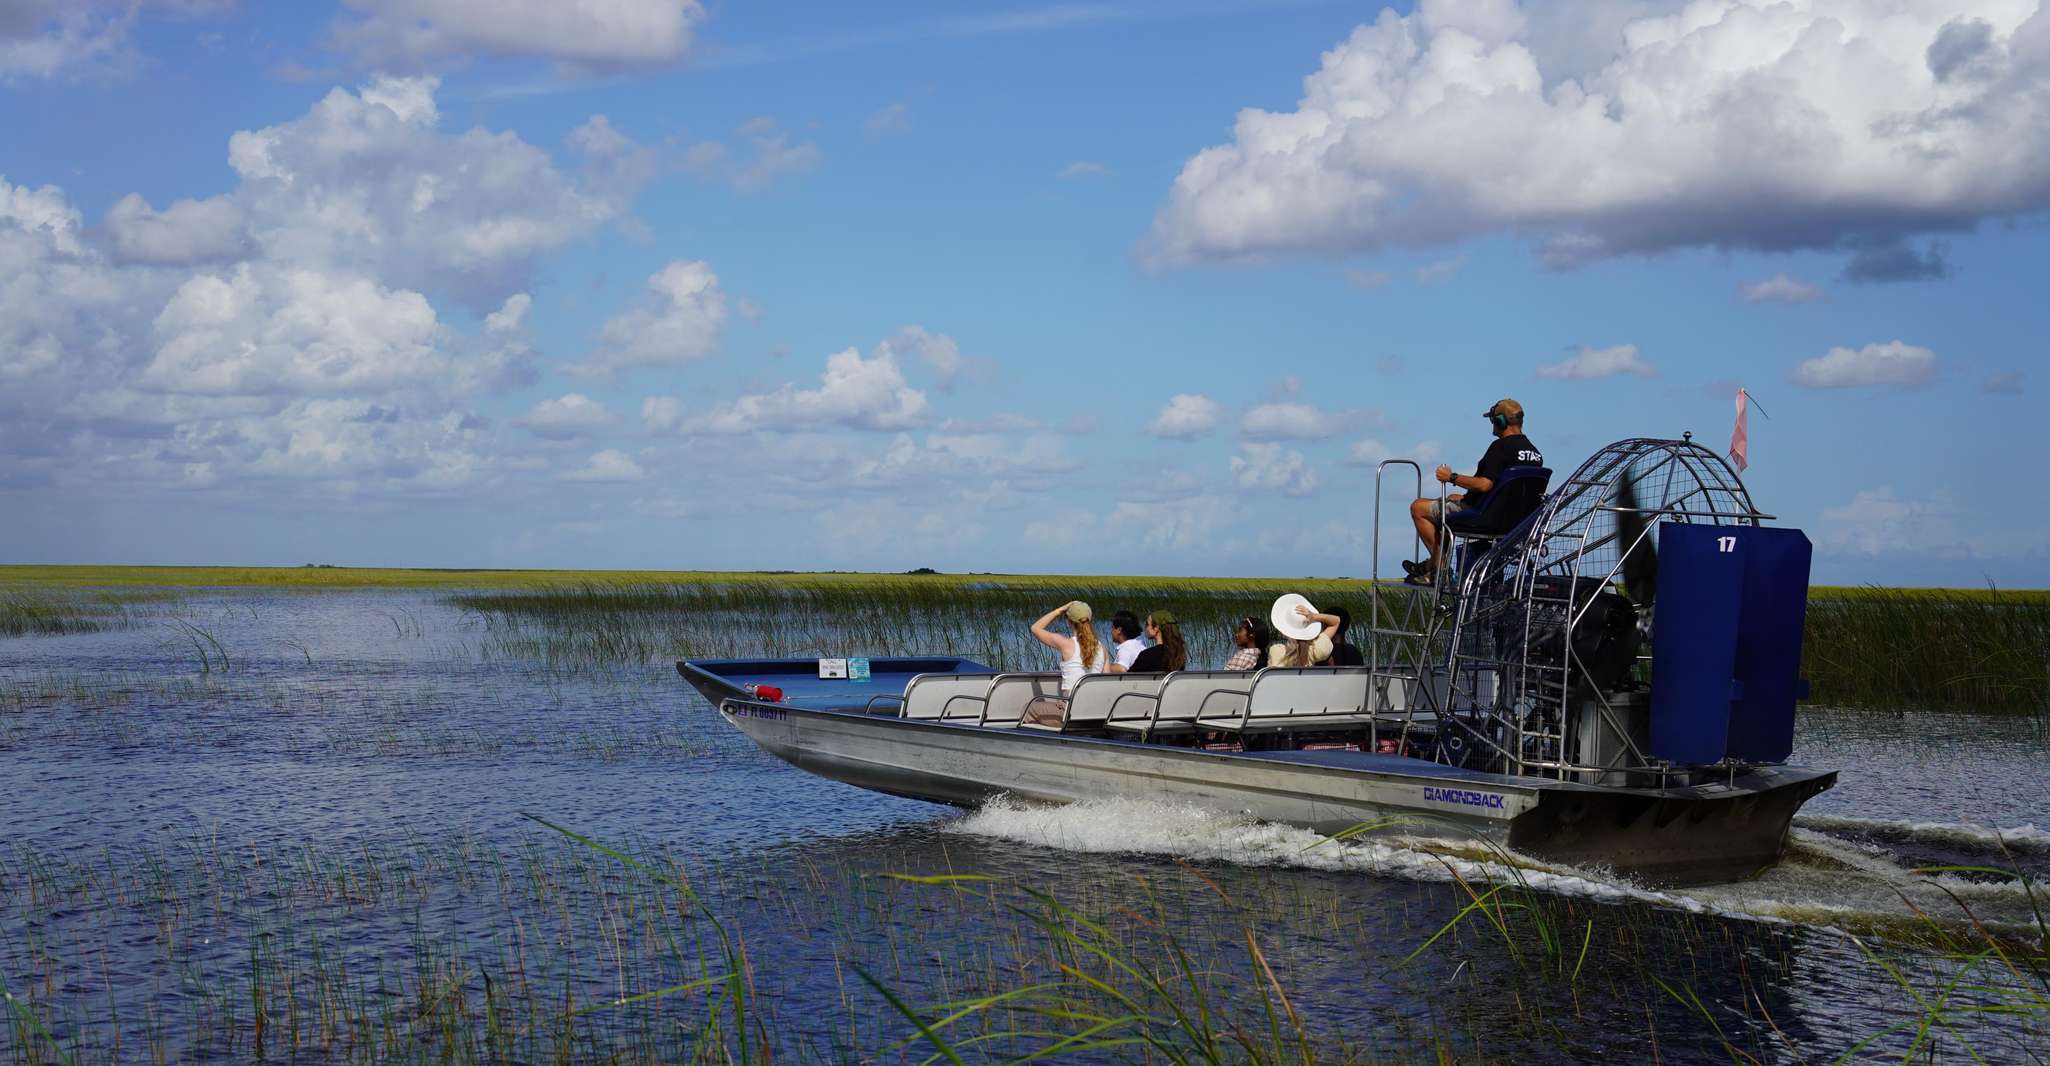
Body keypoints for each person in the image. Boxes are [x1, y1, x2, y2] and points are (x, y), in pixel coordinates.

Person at [1405, 398, 1545, 586]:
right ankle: (1431, 566)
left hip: (1487, 518)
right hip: (1517, 522)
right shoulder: (1535, 454)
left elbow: (1484, 485)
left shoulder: (1500, 447)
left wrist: (1451, 477)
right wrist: (1466, 497)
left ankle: (1438, 569)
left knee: (1419, 508)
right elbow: (1507, 491)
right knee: (1450, 503)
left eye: (1493, 420)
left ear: (1500, 421)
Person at [1030, 601, 1107, 694]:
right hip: (1095, 701)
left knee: (1034, 704)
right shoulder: (1102, 649)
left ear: (1069, 622)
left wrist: (1060, 610)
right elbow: (1107, 680)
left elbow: (1035, 628)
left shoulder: (1066, 644)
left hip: (1071, 702)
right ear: (1089, 621)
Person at [1267, 595, 1345, 667]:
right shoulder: (1317, 649)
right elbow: (1336, 621)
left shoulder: (1276, 651)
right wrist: (1314, 616)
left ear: (1283, 631)